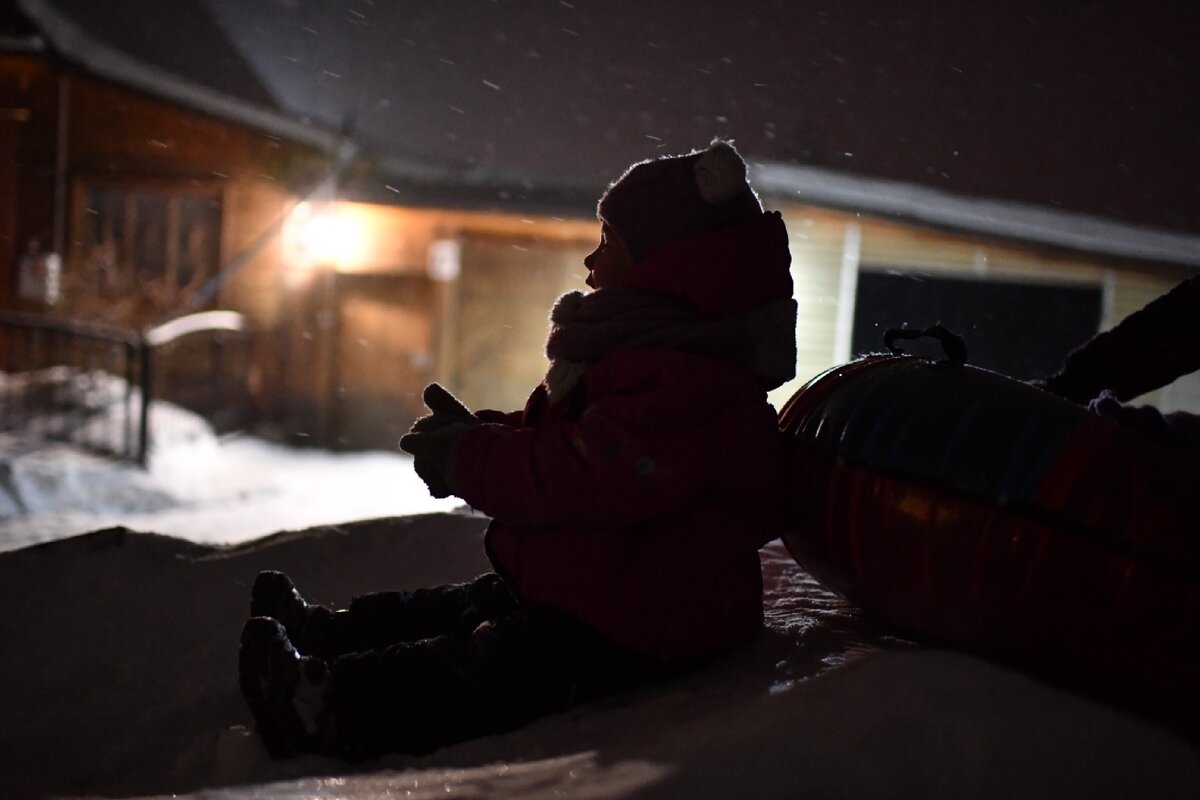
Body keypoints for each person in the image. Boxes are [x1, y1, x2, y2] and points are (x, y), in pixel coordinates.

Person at [238, 139, 798, 760]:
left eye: (609, 243)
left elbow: (586, 475)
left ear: (668, 268)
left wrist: (475, 458)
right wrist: (479, 435)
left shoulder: (691, 385)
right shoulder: (653, 360)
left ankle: (325, 706)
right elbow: (569, 444)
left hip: (653, 619)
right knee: (462, 605)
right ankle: (324, 635)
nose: (591, 260)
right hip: (607, 587)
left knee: (490, 667)